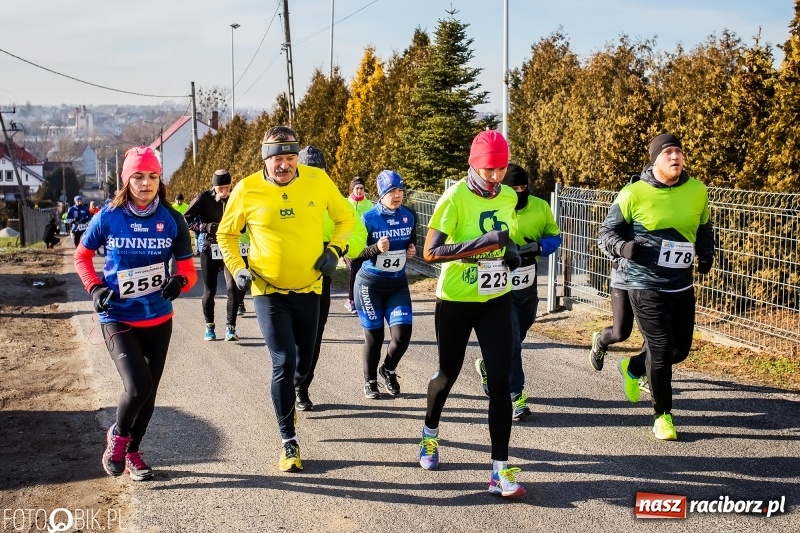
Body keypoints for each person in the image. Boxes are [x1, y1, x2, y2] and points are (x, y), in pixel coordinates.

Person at [216, 126, 354, 472]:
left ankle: (290, 397)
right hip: (268, 290)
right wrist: (238, 268)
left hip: (310, 288)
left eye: (291, 157)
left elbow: (346, 217)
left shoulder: (317, 180)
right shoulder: (247, 189)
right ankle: (288, 441)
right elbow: (226, 234)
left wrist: (335, 250)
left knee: (303, 365)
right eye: (277, 158)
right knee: (283, 361)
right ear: (265, 159)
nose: (284, 165)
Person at [72, 146, 197, 481]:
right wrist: (95, 288)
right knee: (138, 387)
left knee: (149, 395)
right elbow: (81, 257)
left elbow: (187, 269)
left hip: (158, 318)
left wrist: (180, 282)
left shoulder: (172, 220)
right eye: (138, 176)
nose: (145, 183)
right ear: (126, 180)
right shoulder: (108, 217)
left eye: (152, 176)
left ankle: (132, 452)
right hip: (118, 316)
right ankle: (117, 437)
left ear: (160, 180)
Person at [419, 130, 526, 498]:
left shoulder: (508, 196)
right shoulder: (454, 198)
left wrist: (511, 253)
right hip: (456, 298)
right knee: (447, 374)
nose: (495, 177)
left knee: (500, 382)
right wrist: (484, 244)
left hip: (496, 297)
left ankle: (499, 470)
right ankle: (430, 433)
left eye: (501, 169)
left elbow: (506, 237)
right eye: (488, 170)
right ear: (474, 165)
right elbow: (431, 252)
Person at [599, 133, 714, 441]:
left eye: (679, 151)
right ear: (655, 160)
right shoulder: (633, 193)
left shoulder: (697, 190)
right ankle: (663, 415)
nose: (675, 157)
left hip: (681, 285)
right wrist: (623, 248)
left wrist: (707, 252)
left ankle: (634, 366)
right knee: (661, 350)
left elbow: (704, 227)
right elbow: (606, 233)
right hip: (644, 283)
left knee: (679, 350)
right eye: (668, 153)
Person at [475, 163, 561, 420]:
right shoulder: (491, 205)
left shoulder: (540, 207)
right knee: (511, 342)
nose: (519, 192)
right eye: (514, 188)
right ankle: (516, 396)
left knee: (520, 331)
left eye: (524, 188)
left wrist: (539, 246)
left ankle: (489, 364)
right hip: (498, 283)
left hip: (527, 282)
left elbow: (555, 236)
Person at [293, 145, 367, 411]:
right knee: (288, 336)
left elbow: (358, 232)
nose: (313, 175)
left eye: (319, 171)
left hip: (320, 276)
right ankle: (285, 381)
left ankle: (301, 386)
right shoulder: (282, 194)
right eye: (308, 170)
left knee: (313, 334)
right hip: (285, 276)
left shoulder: (333, 197)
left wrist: (338, 250)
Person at [355, 170, 416, 399]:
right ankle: (370, 381)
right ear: (381, 194)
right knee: (375, 337)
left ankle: (388, 369)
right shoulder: (368, 218)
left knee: (402, 336)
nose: (397, 195)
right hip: (370, 285)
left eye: (400, 190)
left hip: (397, 284)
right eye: (392, 191)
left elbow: (411, 242)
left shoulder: (409, 215)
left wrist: (411, 250)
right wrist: (375, 249)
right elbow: (354, 253)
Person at [184, 170, 241, 342]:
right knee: (210, 290)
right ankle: (209, 326)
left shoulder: (235, 197)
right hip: (210, 246)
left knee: (233, 287)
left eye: (227, 187)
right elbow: (187, 219)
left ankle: (231, 327)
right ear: (214, 187)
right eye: (220, 188)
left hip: (230, 246)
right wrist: (205, 226)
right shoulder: (203, 198)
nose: (224, 192)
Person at [343, 176, 374, 313]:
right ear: (352, 189)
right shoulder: (344, 203)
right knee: (355, 270)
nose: (360, 191)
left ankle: (362, 298)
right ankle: (352, 300)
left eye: (362, 188)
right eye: (357, 188)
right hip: (347, 243)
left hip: (364, 244)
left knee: (362, 271)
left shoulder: (369, 205)